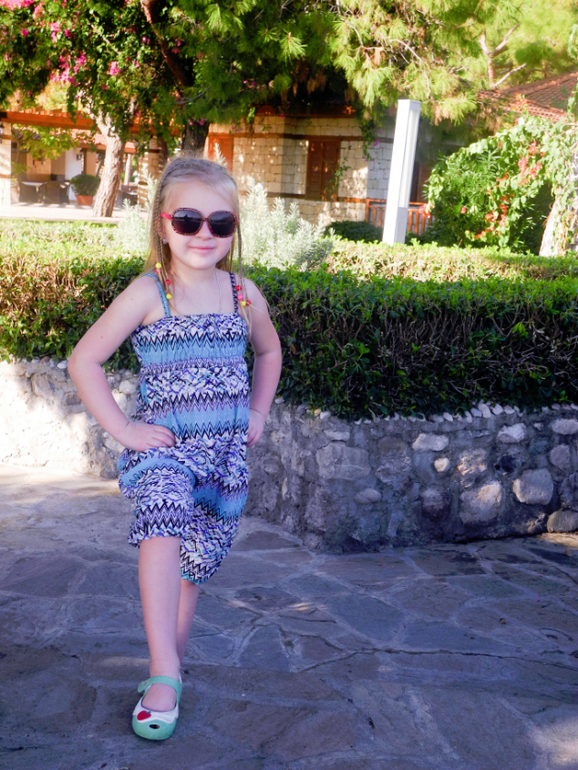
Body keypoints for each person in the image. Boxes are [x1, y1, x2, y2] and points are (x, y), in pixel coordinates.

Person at [68, 156, 282, 741]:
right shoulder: (149, 292)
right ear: (163, 225)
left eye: (221, 222)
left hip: (223, 458)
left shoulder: (242, 294)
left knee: (193, 567)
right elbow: (84, 360)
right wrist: (124, 430)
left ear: (234, 228)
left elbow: (269, 352)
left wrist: (258, 411)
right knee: (162, 520)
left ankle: (171, 673)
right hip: (165, 451)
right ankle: (163, 671)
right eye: (188, 220)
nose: (204, 234)